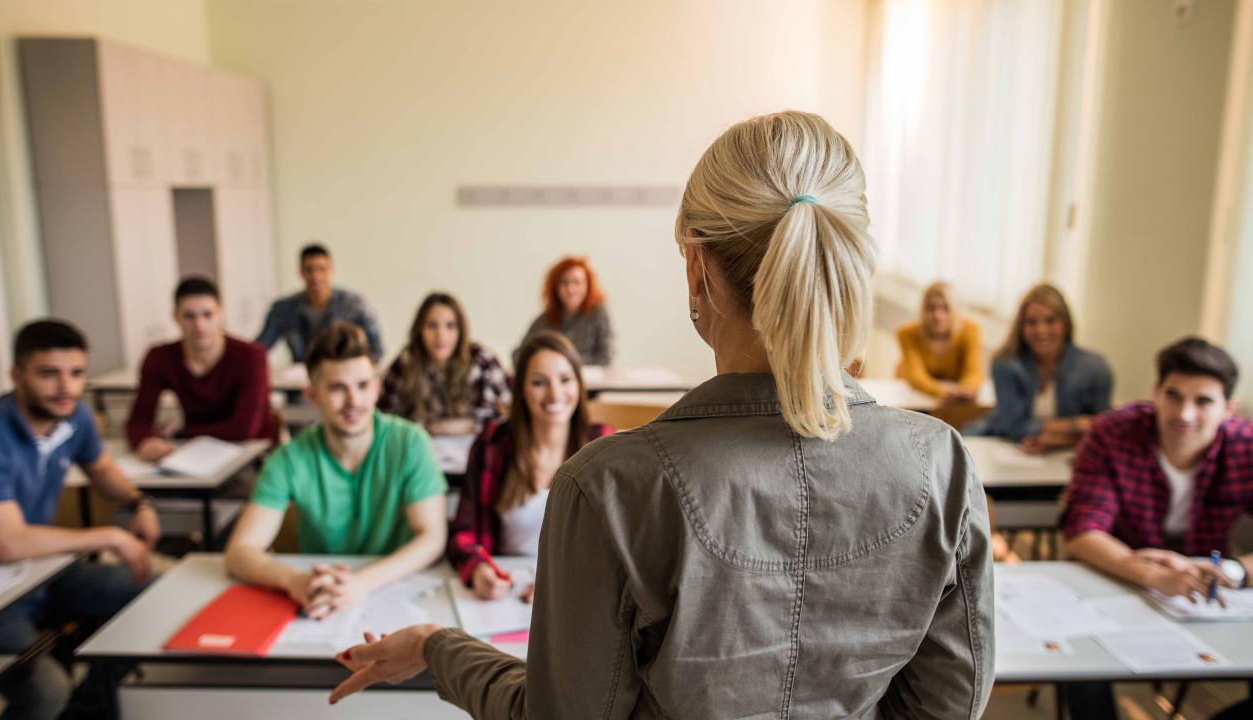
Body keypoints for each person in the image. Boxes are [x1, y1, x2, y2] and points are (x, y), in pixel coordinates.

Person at [328, 111, 994, 718]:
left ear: (696, 269)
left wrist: (441, 649)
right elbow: (948, 706)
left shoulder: (608, 486)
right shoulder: (942, 465)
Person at [0, 320, 160, 719]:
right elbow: (8, 542)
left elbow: (102, 469)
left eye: (76, 374)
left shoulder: (74, 417)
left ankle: (86, 708)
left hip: (41, 573)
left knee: (150, 591)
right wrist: (110, 535)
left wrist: (137, 502)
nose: (66, 387)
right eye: (48, 374)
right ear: (16, 376)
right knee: (45, 689)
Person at [1061, 337, 1253, 719]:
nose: (1184, 414)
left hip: (1208, 585)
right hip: (1118, 573)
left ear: (1229, 410)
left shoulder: (1245, 446)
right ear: (1155, 394)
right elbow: (1083, 531)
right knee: (1078, 664)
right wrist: (1149, 572)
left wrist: (1234, 570)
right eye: (1174, 395)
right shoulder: (1112, 433)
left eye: (1203, 401)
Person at [225, 322, 446, 619]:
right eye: (337, 388)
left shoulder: (410, 442)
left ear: (377, 388)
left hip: (394, 591)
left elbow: (432, 538)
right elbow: (240, 552)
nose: (354, 401)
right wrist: (294, 580)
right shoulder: (290, 458)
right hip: (321, 596)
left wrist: (361, 583)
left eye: (363, 385)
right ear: (312, 395)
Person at [447, 331, 614, 602]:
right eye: (539, 382)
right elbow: (463, 532)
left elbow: (620, 546)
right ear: (521, 389)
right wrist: (478, 568)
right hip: (506, 593)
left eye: (565, 379)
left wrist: (564, 581)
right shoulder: (492, 444)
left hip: (580, 595)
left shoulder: (604, 445)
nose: (555, 394)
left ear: (579, 385)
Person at [126, 276, 277, 462]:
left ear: (220, 314)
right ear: (176, 317)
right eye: (189, 316)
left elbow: (243, 429)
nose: (199, 325)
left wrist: (181, 432)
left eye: (207, 315)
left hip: (251, 453)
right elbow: (138, 419)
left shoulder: (251, 356)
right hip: (193, 452)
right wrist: (146, 442)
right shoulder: (160, 357)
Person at [967, 283, 1113, 453]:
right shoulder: (1005, 363)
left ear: (1065, 323)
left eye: (1050, 320)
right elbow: (1014, 426)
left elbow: (1101, 430)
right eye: (1031, 322)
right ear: (1021, 327)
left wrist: (1056, 440)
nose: (1041, 330)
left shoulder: (1095, 368)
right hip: (1000, 443)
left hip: (1064, 455)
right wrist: (1075, 425)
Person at [378, 292, 511, 437]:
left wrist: (454, 426)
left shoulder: (483, 361)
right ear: (420, 330)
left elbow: (510, 410)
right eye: (432, 326)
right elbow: (385, 416)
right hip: (422, 447)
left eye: (450, 326)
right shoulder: (406, 362)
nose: (441, 335)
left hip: (476, 447)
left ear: (461, 330)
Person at [255, 243, 384, 363]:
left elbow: (376, 350)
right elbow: (259, 348)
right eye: (309, 270)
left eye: (322, 269)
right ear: (301, 272)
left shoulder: (354, 305)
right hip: (300, 381)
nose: (316, 276)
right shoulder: (283, 309)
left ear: (331, 270)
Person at [896, 281, 984, 401]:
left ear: (954, 311)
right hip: (916, 396)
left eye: (945, 308)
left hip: (952, 400)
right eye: (931, 308)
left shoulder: (970, 331)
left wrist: (967, 389)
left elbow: (974, 372)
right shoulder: (907, 334)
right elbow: (916, 376)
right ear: (923, 310)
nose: (938, 315)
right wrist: (943, 392)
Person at [519, 256, 614, 366]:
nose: (571, 289)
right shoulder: (544, 320)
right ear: (555, 288)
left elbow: (607, 357)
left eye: (577, 282)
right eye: (564, 283)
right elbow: (519, 354)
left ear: (587, 286)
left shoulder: (599, 315)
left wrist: (563, 361)